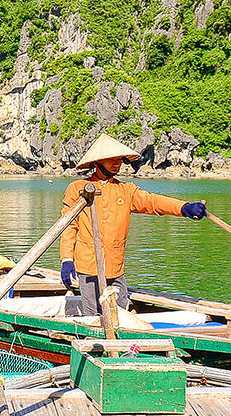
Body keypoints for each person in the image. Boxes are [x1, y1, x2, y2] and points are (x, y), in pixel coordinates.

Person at [59, 135, 207, 318]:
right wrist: (67, 259)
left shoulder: (126, 190)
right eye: (112, 159)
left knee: (120, 314)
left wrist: (183, 208)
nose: (117, 163)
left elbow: (152, 201)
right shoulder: (78, 188)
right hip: (88, 267)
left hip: (115, 267)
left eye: (119, 159)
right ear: (97, 162)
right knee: (93, 317)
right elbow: (68, 226)